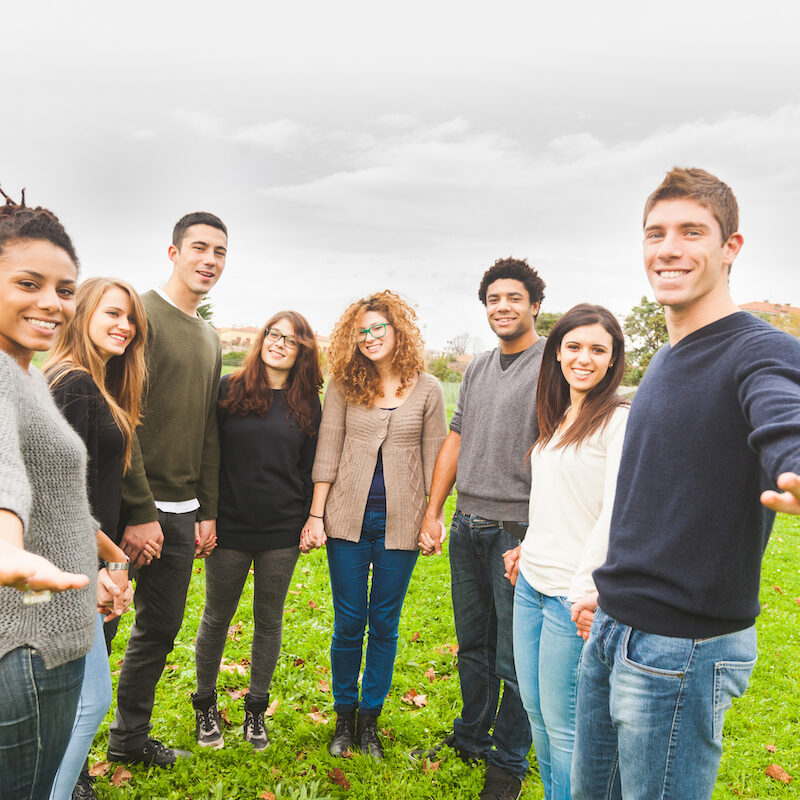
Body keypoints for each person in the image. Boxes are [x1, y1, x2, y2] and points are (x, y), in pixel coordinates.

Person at [571, 167, 800, 800]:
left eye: (691, 231)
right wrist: (611, 589)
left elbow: (784, 414)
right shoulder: (667, 361)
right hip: (614, 628)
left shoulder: (760, 351)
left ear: (731, 248)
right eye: (655, 233)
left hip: (682, 652)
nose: (668, 248)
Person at [415, 257, 546, 800]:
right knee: (473, 642)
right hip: (469, 524)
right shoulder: (477, 367)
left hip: (519, 527)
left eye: (513, 298)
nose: (503, 308)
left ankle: (509, 760)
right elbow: (457, 436)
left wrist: (541, 532)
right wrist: (433, 510)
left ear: (535, 305)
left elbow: (562, 449)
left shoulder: (554, 364)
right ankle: (470, 735)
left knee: (515, 655)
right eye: (494, 300)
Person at [0, 190, 116, 800]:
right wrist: (7, 544)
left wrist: (91, 561)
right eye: (29, 282)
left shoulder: (28, 374)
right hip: (25, 644)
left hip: (57, 627)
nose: (51, 302)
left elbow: (52, 493)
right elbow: (6, 476)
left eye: (65, 289)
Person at [302, 290, 447, 761]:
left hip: (401, 523)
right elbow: (328, 449)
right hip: (347, 519)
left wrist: (433, 517)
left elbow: (435, 457)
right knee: (349, 622)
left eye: (377, 329)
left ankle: (370, 722)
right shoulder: (345, 386)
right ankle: (343, 718)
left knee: (384, 622)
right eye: (360, 331)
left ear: (397, 331)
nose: (368, 337)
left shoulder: (427, 389)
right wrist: (316, 515)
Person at [106, 211, 228, 768]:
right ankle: (73, 761)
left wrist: (206, 509)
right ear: (173, 252)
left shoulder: (208, 335)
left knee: (158, 631)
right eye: (199, 247)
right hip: (124, 509)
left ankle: (129, 741)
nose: (209, 260)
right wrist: (137, 509)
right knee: (98, 630)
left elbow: (207, 427)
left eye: (219, 252)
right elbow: (118, 418)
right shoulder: (140, 317)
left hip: (182, 515)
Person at [502, 304, 628, 800]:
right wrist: (526, 548)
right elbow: (558, 500)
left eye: (598, 349)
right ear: (557, 353)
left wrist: (585, 591)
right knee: (537, 719)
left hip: (570, 598)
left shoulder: (618, 420)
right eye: (574, 346)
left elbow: (615, 512)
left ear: (613, 358)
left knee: (568, 729)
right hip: (530, 584)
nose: (584, 358)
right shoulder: (560, 417)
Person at [192, 311, 322, 752]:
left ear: (302, 351)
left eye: (290, 340)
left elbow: (308, 469)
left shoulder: (308, 403)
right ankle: (205, 705)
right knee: (216, 616)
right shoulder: (230, 389)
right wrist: (205, 514)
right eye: (273, 334)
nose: (279, 343)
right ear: (262, 339)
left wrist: (309, 518)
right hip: (229, 526)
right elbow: (208, 454)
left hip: (281, 531)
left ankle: (255, 711)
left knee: (268, 621)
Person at [45, 277, 149, 799]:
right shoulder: (74, 384)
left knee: (77, 703)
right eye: (112, 313)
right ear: (82, 313)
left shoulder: (95, 382)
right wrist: (113, 563)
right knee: (85, 703)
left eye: (130, 318)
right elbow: (57, 496)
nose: (124, 327)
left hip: (78, 560)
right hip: (65, 564)